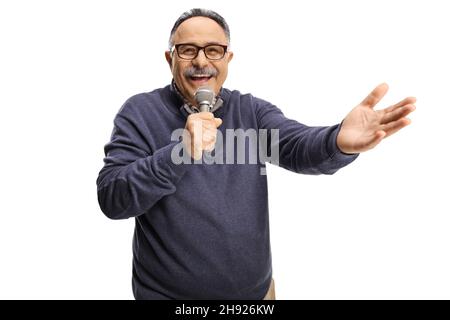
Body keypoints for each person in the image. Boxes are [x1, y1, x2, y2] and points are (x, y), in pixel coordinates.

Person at [96, 8, 416, 300]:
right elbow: (112, 197)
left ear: (228, 59)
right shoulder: (139, 112)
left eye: (214, 50)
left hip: (257, 296)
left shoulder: (250, 110)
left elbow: (298, 146)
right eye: (188, 50)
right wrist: (180, 152)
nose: (201, 61)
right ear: (170, 58)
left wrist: (337, 141)